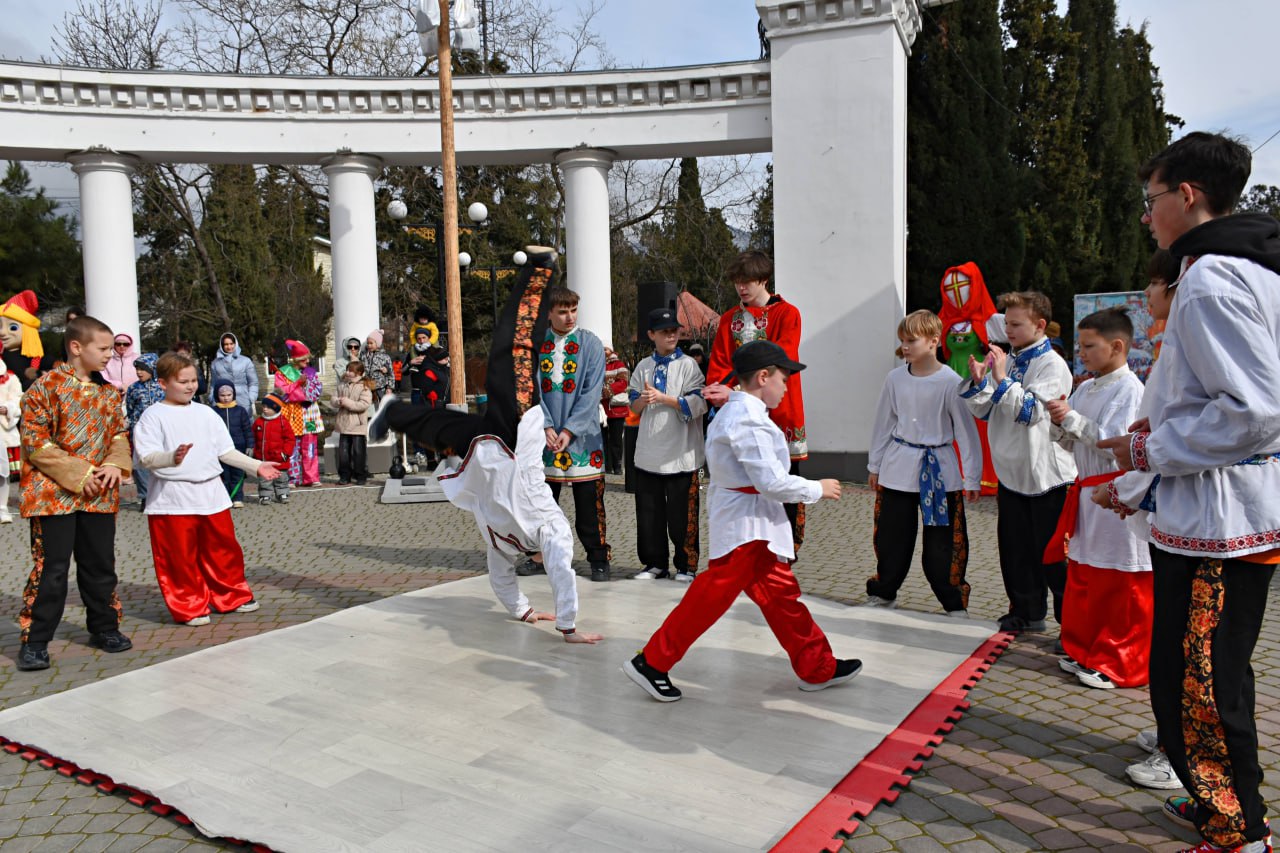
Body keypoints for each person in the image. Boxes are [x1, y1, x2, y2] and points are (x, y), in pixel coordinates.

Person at [1097, 132, 1280, 853]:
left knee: (1197, 684)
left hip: (1218, 519)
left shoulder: (1210, 276)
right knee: (1212, 675)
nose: (1148, 217)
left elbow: (1255, 409)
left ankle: (1240, 828)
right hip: (1220, 510)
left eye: (1152, 201)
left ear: (1188, 196)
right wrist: (1147, 468)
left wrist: (1149, 449)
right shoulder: (1258, 267)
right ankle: (1221, 802)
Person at [370, 248, 603, 644]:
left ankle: (393, 412)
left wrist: (523, 610)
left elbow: (501, 579)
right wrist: (568, 627)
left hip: (486, 447)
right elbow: (562, 573)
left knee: (445, 421)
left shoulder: (503, 540)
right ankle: (540, 271)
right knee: (511, 349)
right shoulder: (553, 529)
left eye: (542, 560)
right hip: (516, 433)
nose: (548, 561)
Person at [623, 340, 859, 702]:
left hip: (752, 525)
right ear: (763, 377)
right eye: (784, 378)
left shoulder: (740, 414)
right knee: (710, 599)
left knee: (781, 598)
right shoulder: (747, 420)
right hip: (746, 528)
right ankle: (653, 662)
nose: (787, 385)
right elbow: (771, 482)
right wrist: (817, 488)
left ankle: (817, 666)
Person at [15, 315, 133, 672]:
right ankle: (35, 641)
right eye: (103, 348)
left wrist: (114, 465)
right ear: (76, 347)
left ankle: (105, 627)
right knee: (51, 570)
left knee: (100, 565)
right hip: (52, 496)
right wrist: (81, 474)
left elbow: (117, 435)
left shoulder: (108, 392)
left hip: (99, 495)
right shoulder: (45, 388)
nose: (110, 355)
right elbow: (36, 443)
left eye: (113, 349)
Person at [1044, 307, 1151, 690]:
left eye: (1090, 346)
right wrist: (1061, 423)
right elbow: (1078, 440)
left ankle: (1120, 661)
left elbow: (1115, 444)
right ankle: (1084, 649)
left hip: (1117, 492)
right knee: (1086, 576)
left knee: (1120, 582)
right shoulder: (1086, 387)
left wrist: (1071, 420)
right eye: (1081, 345)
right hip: (1087, 491)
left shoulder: (1131, 389)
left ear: (1117, 346)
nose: (1082, 353)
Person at [134, 352, 282, 626]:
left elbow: (225, 450)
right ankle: (189, 604)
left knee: (223, 549)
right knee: (179, 556)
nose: (190, 386)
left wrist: (256, 466)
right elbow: (145, 457)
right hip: (172, 498)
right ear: (164, 383)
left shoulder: (205, 412)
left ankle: (232, 595)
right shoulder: (152, 416)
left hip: (211, 494)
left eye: (194, 380)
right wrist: (171, 457)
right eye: (183, 381)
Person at [959, 290, 1076, 634]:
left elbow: (1030, 413)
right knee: (1016, 550)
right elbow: (983, 410)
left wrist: (999, 380)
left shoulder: (1053, 365)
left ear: (1039, 325)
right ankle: (1026, 612)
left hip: (1047, 476)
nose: (1007, 330)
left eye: (1015, 323)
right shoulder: (1007, 360)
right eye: (1006, 322)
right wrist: (981, 381)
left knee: (1054, 556)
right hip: (1011, 473)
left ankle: (1071, 626)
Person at [864, 310, 982, 615]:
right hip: (899, 467)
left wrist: (971, 478)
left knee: (943, 543)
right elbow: (883, 423)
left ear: (933, 341)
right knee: (892, 537)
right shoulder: (895, 379)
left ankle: (953, 601)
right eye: (902, 340)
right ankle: (885, 590)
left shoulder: (951, 382)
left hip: (940, 471)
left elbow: (967, 435)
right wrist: (874, 465)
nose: (905, 346)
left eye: (911, 340)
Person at [704, 250, 809, 553]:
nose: (742, 288)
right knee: (745, 480)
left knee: (784, 481)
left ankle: (788, 549)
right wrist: (723, 391)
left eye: (747, 281)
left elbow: (780, 360)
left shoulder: (787, 314)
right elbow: (720, 364)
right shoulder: (729, 320)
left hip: (781, 412)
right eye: (737, 282)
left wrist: (735, 390)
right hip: (741, 416)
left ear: (764, 279)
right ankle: (749, 544)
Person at [629, 308, 708, 582]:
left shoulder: (688, 365)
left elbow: (699, 404)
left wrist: (665, 398)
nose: (671, 335)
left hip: (682, 454)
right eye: (664, 331)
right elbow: (634, 404)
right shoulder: (643, 367)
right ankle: (654, 563)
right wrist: (643, 400)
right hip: (649, 452)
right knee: (649, 513)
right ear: (652, 335)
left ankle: (686, 565)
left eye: (674, 330)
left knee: (682, 515)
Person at [538, 286, 612, 582]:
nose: (569, 317)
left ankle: (598, 558)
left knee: (589, 506)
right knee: (542, 504)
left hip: (583, 437)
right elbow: (532, 389)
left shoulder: (591, 344)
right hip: (544, 438)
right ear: (549, 314)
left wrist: (568, 431)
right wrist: (544, 425)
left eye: (573, 310)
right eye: (562, 311)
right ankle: (540, 555)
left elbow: (591, 392)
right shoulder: (535, 345)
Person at [273, 340, 323, 487]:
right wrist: (297, 386)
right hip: (291, 415)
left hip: (309, 414)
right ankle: (292, 478)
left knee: (310, 447)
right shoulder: (282, 373)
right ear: (296, 359)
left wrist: (300, 390)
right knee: (292, 448)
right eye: (304, 358)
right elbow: (282, 394)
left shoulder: (311, 372)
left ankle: (311, 477)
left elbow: (315, 394)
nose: (307, 361)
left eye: (308, 358)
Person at [125, 353, 164, 511]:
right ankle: (145, 496)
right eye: (137, 369)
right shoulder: (133, 388)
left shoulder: (162, 386)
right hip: (140, 431)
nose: (139, 372)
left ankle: (162, 495)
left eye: (143, 369)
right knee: (141, 465)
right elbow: (130, 409)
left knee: (161, 462)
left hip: (160, 431)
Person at [210, 380, 254, 507]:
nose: (226, 398)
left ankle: (237, 498)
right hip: (220, 449)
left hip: (238, 447)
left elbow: (247, 429)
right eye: (222, 395)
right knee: (224, 475)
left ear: (233, 394)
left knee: (237, 474)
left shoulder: (240, 411)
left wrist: (249, 445)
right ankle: (225, 498)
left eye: (229, 395)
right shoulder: (213, 412)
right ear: (217, 395)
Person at [333, 360, 373, 485]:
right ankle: (345, 475)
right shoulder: (342, 384)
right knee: (343, 452)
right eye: (348, 370)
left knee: (358, 452)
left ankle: (360, 475)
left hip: (357, 425)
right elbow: (332, 399)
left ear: (359, 373)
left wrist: (347, 403)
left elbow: (364, 404)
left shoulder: (364, 386)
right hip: (344, 424)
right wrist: (338, 401)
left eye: (351, 371)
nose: (348, 373)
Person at [253, 393, 296, 505]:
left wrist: (285, 453)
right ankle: (265, 495)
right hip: (263, 458)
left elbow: (290, 439)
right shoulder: (259, 422)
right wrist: (253, 451)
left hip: (279, 458)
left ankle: (282, 493)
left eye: (268, 407)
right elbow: (253, 437)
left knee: (281, 478)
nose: (265, 409)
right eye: (264, 407)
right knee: (264, 479)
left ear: (275, 408)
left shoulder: (283, 422)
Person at [209, 332, 259, 418]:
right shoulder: (215, 363)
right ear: (222, 346)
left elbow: (253, 382)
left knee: (244, 425)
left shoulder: (245, 361)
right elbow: (213, 383)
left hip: (243, 399)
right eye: (226, 344)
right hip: (223, 400)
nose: (229, 347)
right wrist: (212, 398)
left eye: (231, 344)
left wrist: (251, 398)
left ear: (235, 344)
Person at [0, 356, 22, 524]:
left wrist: (7, 408)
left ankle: (2, 508)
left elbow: (19, 398)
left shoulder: (11, 377)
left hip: (3, 429)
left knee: (3, 472)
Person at [601, 346, 629, 475]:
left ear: (611, 351)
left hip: (616, 408)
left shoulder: (619, 364)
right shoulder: (596, 363)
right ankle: (607, 466)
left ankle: (617, 465)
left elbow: (623, 383)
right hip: (601, 409)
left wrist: (605, 391)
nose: (603, 352)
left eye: (605, 349)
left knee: (616, 439)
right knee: (603, 439)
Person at [360, 329, 395, 403]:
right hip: (366, 386)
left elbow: (391, 374)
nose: (369, 345)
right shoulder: (363, 355)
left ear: (378, 344)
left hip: (380, 388)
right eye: (368, 343)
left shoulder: (385, 357)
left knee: (382, 406)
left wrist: (389, 388)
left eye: (371, 343)